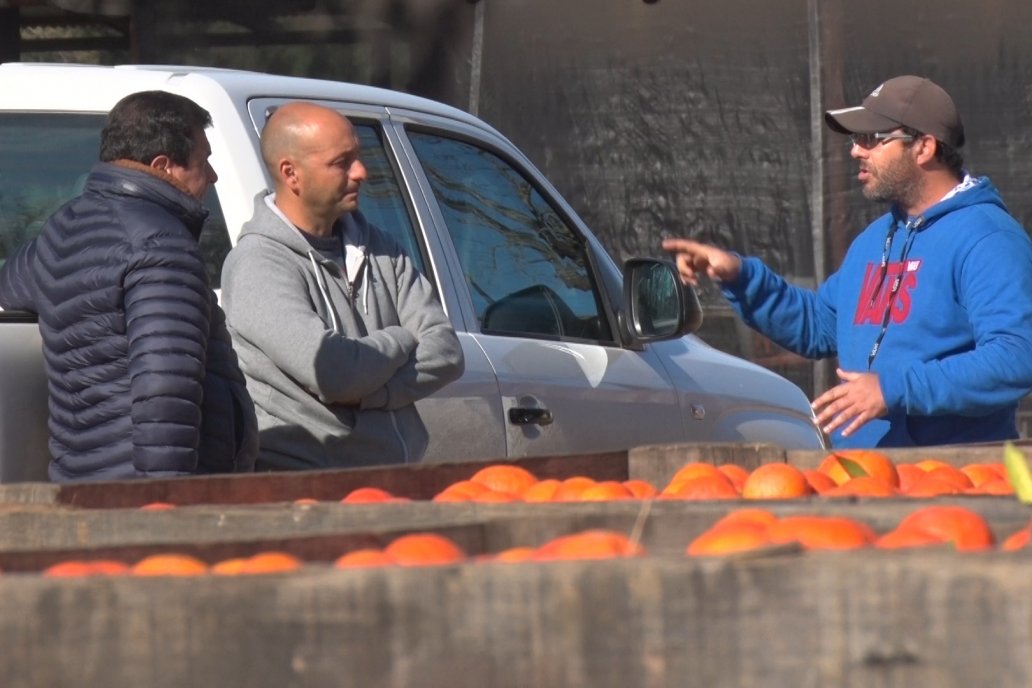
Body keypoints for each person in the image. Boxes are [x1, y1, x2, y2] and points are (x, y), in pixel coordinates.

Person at [662, 75, 1032, 448]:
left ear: (923, 147)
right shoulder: (875, 239)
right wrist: (739, 277)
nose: (856, 150)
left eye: (872, 139)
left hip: (950, 478)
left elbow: (1016, 356)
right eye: (856, 139)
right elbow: (820, 325)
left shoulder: (989, 238)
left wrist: (893, 389)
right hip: (858, 477)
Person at [0, 91, 258, 480]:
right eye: (204, 162)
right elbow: (165, 391)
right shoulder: (161, 244)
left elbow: (9, 286)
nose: (212, 175)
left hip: (82, 481)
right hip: (145, 493)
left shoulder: (61, 230)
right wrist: (162, 502)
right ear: (164, 166)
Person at [220, 101, 464, 470]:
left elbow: (447, 352)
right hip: (308, 484)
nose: (361, 172)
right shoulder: (258, 263)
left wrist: (372, 394)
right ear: (291, 174)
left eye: (359, 157)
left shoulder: (381, 246)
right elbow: (335, 373)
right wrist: (402, 338)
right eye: (341, 162)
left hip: (395, 477)